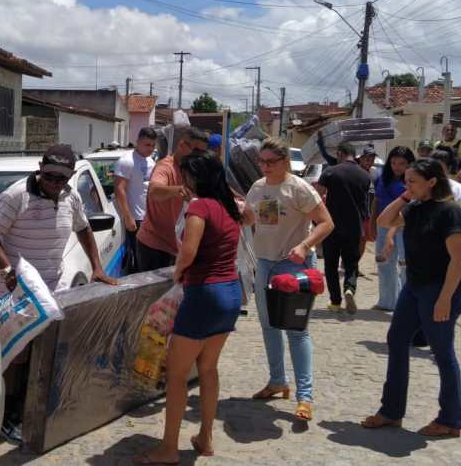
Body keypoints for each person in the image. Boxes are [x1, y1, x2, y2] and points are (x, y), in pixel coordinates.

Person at [0, 145, 117, 443]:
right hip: (18, 288)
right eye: (50, 177)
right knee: (18, 354)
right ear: (40, 169)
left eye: (61, 179)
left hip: (53, 286)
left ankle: (34, 410)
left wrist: (97, 267)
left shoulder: (72, 196)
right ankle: (8, 417)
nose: (55, 184)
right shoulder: (16, 196)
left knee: (45, 348)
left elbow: (83, 229)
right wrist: (6, 269)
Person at [135, 152, 243, 464]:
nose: (183, 181)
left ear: (196, 178)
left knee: (178, 375)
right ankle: (205, 437)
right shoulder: (228, 207)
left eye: (186, 176)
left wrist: (179, 272)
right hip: (230, 295)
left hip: (203, 295)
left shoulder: (199, 207)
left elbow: (189, 251)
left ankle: (169, 449)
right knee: (208, 368)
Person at [362, 159, 461, 438]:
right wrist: (405, 196)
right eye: (405, 181)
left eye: (412, 181)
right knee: (397, 340)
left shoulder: (451, 213)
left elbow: (457, 261)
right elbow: (384, 221)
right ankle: (391, 411)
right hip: (414, 286)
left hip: (441, 289)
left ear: (432, 181)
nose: (405, 185)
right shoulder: (415, 208)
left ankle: (450, 420)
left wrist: (445, 299)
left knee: (442, 353)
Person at [242, 138, 334, 420]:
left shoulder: (299, 188)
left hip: (292, 265)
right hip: (265, 263)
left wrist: (305, 246)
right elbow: (251, 219)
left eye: (271, 161)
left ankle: (305, 397)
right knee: (269, 326)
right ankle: (277, 381)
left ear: (284, 162)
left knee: (296, 332)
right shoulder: (257, 187)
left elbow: (327, 223)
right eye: (262, 161)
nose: (265, 166)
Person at [136, 127, 209, 272]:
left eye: (203, 152)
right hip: (154, 246)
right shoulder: (165, 167)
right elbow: (154, 191)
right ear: (182, 145)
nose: (200, 156)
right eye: (197, 151)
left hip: (175, 247)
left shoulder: (191, 168)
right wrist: (178, 190)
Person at [317, 142, 371, 314]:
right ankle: (350, 288)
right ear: (354, 155)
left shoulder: (330, 172)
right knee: (351, 263)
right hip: (354, 226)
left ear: (339, 153)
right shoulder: (364, 175)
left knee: (331, 265)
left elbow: (317, 197)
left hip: (331, 226)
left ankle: (335, 302)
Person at [374, 146, 416, 311]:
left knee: (404, 264)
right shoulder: (382, 178)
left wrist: (390, 237)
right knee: (383, 262)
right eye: (393, 162)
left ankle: (406, 303)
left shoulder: (411, 182)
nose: (397, 166)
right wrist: (372, 224)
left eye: (402, 163)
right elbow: (376, 201)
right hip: (383, 223)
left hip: (403, 225)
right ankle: (387, 301)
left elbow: (402, 211)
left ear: (409, 164)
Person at [114, 127, 157, 274]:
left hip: (149, 217)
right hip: (135, 219)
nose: (150, 148)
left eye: (152, 145)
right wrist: (128, 217)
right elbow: (120, 189)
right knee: (137, 261)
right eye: (147, 144)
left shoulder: (150, 161)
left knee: (149, 259)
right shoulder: (127, 161)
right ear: (138, 142)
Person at [358, 146, 379, 256]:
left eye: (372, 159)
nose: (370, 162)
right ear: (360, 158)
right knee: (355, 239)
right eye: (367, 159)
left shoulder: (375, 173)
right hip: (356, 213)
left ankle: (354, 265)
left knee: (363, 240)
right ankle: (346, 265)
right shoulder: (355, 171)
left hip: (369, 213)